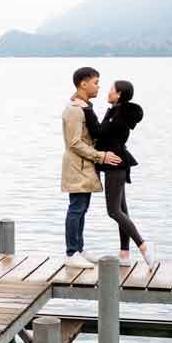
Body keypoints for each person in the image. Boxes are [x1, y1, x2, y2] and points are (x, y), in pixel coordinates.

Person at [61, 66, 120, 261]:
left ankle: (79, 249)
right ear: (83, 84)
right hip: (77, 166)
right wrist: (100, 156)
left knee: (82, 208)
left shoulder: (84, 108)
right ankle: (71, 253)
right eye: (95, 83)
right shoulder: (74, 111)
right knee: (76, 208)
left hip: (85, 166)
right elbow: (74, 142)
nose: (98, 87)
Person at [95, 80, 152, 266]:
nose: (108, 91)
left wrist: (86, 112)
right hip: (117, 164)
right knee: (122, 210)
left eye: (111, 89)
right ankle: (125, 255)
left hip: (116, 164)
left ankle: (142, 245)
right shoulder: (115, 111)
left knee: (113, 211)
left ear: (119, 94)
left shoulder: (119, 116)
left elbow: (100, 131)